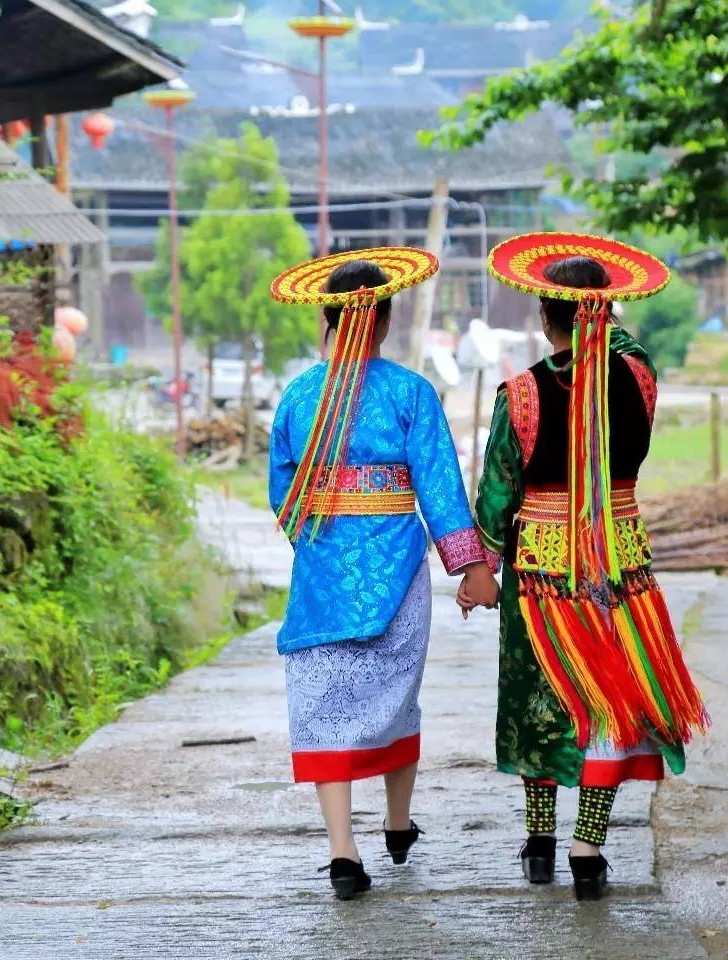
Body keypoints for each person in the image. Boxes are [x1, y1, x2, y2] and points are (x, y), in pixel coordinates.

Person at [459, 235, 708, 899]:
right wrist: (604, 318)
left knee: (541, 702)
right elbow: (622, 352)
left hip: (541, 574)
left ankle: (539, 841)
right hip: (621, 569)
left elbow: (495, 495)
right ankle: (587, 847)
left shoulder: (523, 395)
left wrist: (480, 566)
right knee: (609, 705)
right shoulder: (640, 379)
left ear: (545, 317)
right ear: (606, 312)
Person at [268, 247, 499, 900]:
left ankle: (344, 850)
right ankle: (398, 823)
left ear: (329, 320)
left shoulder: (298, 395)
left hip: (322, 578)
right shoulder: (410, 392)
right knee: (395, 699)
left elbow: (282, 489)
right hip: (398, 572)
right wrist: (471, 568)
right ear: (385, 319)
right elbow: (441, 488)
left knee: (322, 705)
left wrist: (318, 544)